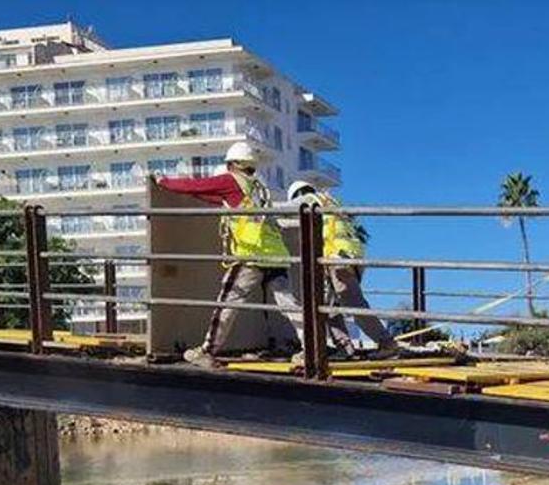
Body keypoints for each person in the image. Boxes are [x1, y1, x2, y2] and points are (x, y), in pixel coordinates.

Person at [156, 141, 306, 368]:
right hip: (275, 254)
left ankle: (207, 351)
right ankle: (311, 346)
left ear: (233, 164)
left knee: (228, 303)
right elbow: (218, 198)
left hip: (251, 254)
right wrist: (199, 194)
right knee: (289, 304)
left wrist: (163, 182)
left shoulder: (230, 180)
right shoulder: (257, 187)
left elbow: (197, 185)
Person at [288, 180, 397, 358]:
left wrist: (260, 208)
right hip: (348, 256)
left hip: (338, 257)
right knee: (329, 305)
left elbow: (285, 209)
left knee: (352, 303)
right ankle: (344, 347)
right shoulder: (330, 201)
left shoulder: (309, 199)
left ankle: (386, 343)